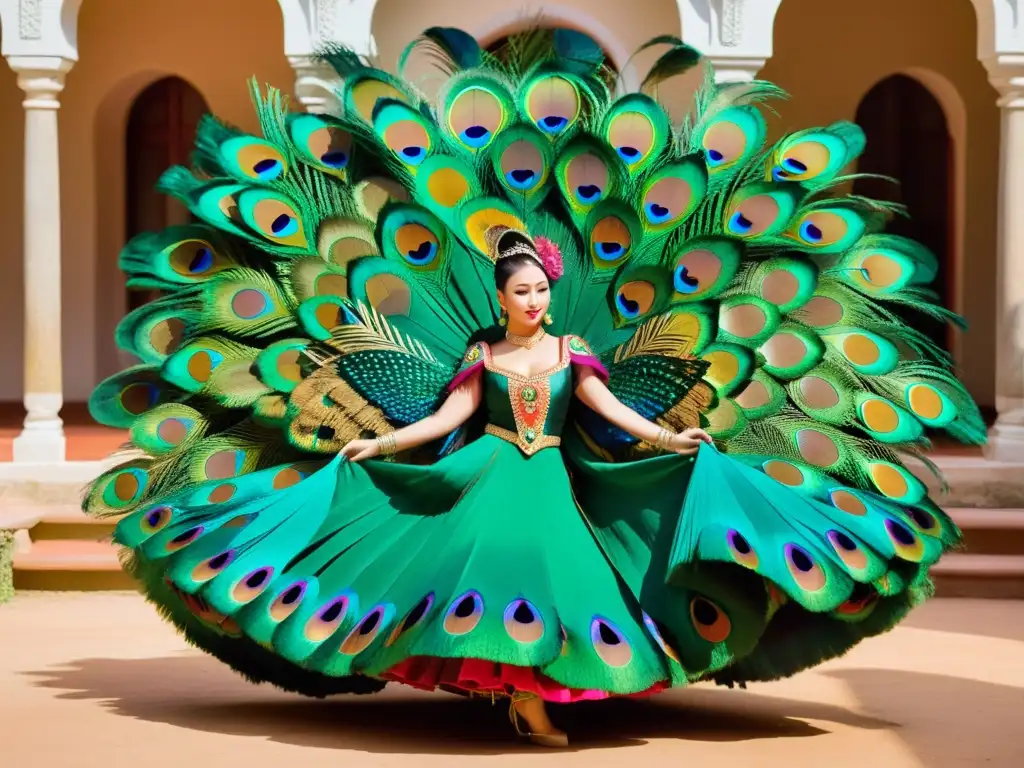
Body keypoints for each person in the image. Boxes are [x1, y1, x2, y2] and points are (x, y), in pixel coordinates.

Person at [85, 26, 982, 749]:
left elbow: (611, 411)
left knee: (565, 587)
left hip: (552, 477)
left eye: (541, 291)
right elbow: (446, 415)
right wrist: (377, 444)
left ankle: (534, 696)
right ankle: (526, 704)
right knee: (486, 581)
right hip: (484, 478)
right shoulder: (481, 355)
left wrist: (675, 442)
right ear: (501, 297)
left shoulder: (575, 356)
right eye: (521, 292)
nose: (532, 301)